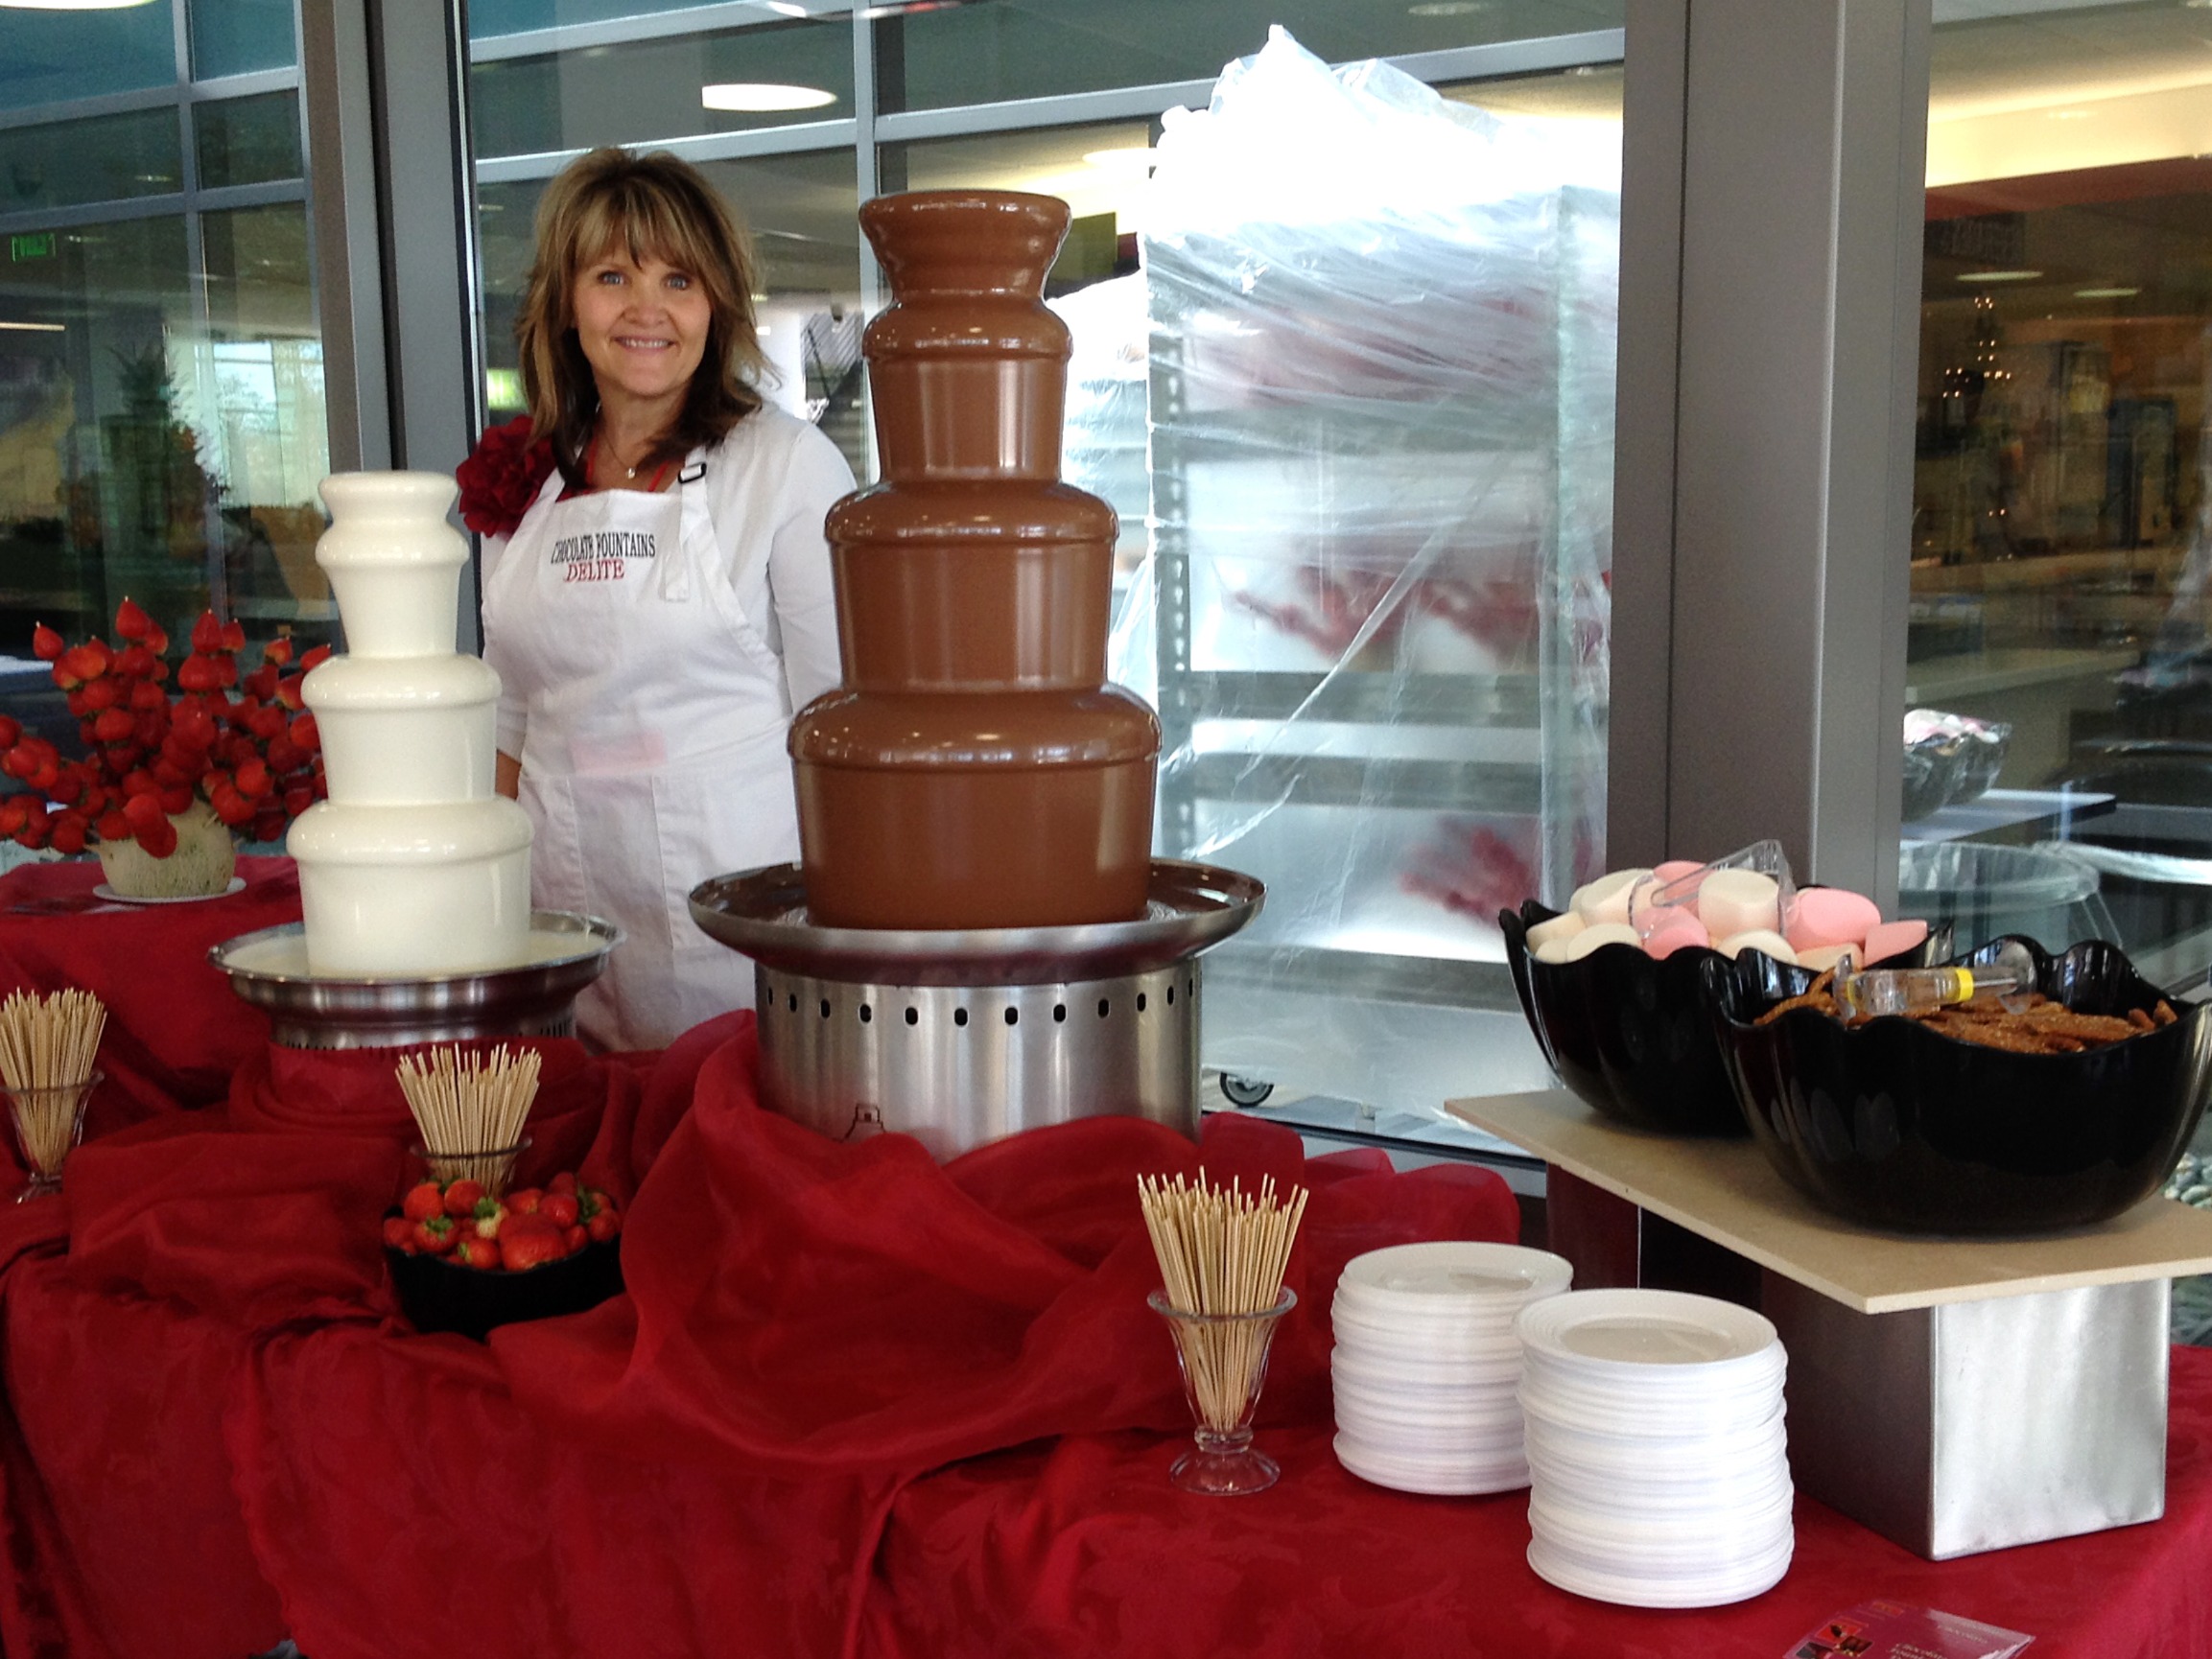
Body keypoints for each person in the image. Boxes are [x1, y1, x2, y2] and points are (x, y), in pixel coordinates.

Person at [459, 147, 855, 1052]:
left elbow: (837, 725)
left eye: (678, 279)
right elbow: (508, 721)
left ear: (715, 303)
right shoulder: (525, 481)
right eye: (611, 276)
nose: (647, 310)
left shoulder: (785, 466)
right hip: (558, 916)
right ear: (567, 303)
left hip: (740, 924)